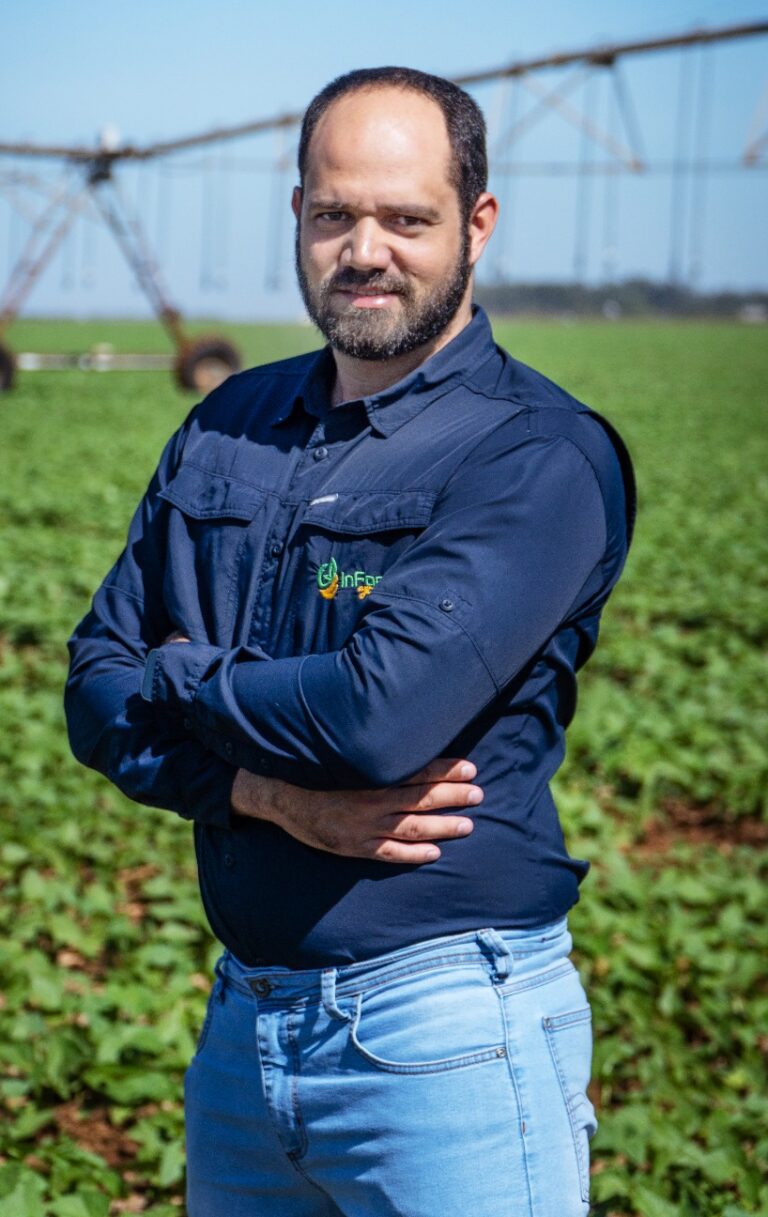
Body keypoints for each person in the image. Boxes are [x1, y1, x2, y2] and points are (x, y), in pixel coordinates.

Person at [65, 66, 636, 1217]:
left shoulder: (533, 455)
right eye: (335, 214)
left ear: (477, 224)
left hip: (445, 1037)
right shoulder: (227, 424)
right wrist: (263, 794)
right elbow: (92, 692)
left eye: (406, 219)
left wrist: (178, 670)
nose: (365, 250)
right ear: (298, 214)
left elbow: (374, 717)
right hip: (243, 1033)